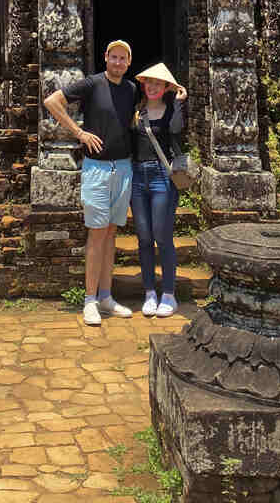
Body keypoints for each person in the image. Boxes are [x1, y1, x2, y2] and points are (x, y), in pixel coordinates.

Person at [42, 39, 137, 326]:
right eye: (114, 57)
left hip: (122, 167)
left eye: (124, 58)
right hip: (96, 168)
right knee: (96, 234)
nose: (119, 62)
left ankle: (106, 296)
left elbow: (129, 120)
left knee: (110, 234)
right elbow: (52, 102)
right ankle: (90, 300)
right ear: (106, 58)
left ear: (129, 63)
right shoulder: (92, 84)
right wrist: (79, 133)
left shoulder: (131, 89)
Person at [131, 62, 187, 318]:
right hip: (137, 177)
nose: (152, 86)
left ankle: (169, 293)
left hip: (161, 176)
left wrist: (178, 102)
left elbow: (176, 132)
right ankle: (149, 292)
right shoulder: (137, 113)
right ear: (144, 86)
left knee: (162, 236)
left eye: (158, 83)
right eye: (148, 82)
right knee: (143, 237)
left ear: (166, 87)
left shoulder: (170, 112)